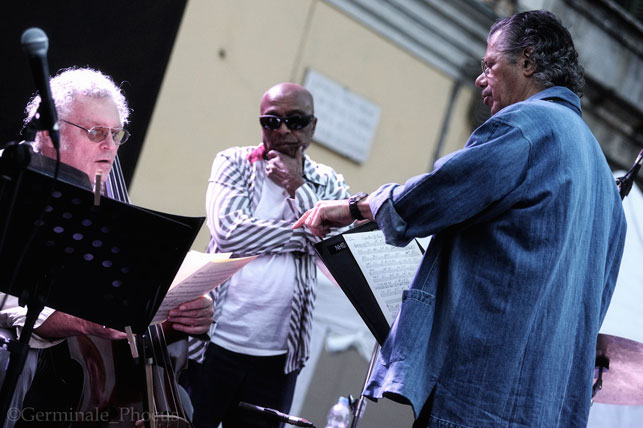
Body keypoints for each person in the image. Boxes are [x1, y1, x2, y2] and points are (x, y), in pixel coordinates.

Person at [294, 10, 626, 428]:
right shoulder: (606, 184)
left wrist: (351, 207)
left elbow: (434, 195)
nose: (480, 78)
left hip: (482, 392)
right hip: (546, 409)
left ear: (527, 61)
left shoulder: (527, 124)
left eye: (488, 65)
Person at [0, 67, 213, 426]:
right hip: (24, 369)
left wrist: (188, 305)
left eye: (116, 135)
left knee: (185, 409)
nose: (110, 147)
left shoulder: (107, 208)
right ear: (49, 132)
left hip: (78, 391)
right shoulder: (10, 182)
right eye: (97, 132)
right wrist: (80, 319)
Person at [181, 82, 351, 427]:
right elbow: (229, 231)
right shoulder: (234, 163)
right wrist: (307, 233)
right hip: (213, 342)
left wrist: (296, 186)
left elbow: (336, 249)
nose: (284, 129)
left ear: (313, 126)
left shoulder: (328, 183)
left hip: (278, 356)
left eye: (296, 120)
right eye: (272, 121)